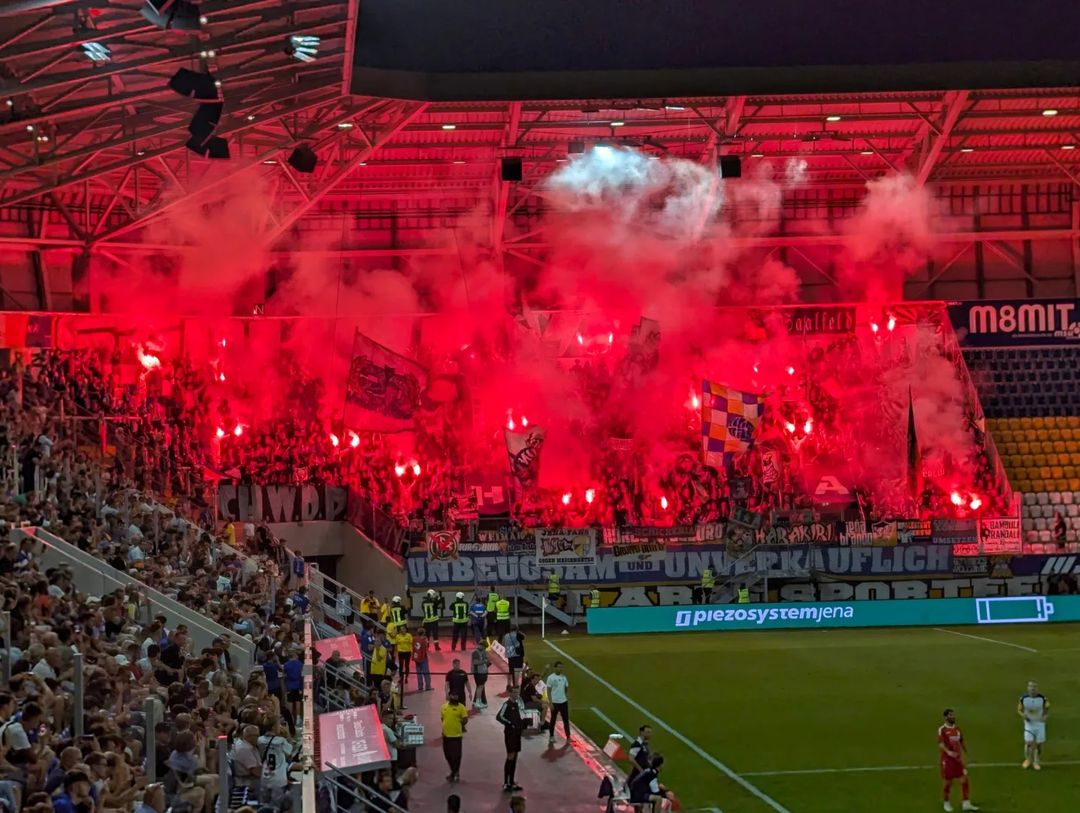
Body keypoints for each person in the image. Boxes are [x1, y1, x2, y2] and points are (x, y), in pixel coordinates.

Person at [938, 709, 978, 812]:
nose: (953, 717)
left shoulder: (957, 729)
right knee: (948, 783)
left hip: (958, 760)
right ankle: (946, 803)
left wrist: (966, 755)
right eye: (950, 715)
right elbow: (941, 744)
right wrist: (948, 752)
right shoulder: (942, 729)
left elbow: (961, 743)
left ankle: (966, 803)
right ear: (946, 717)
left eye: (953, 715)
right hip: (947, 761)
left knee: (964, 780)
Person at [496, 685, 528, 793]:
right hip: (510, 734)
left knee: (515, 757)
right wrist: (510, 724)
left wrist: (522, 724)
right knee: (510, 756)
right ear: (510, 693)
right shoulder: (507, 704)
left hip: (517, 734)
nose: (516, 694)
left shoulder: (517, 704)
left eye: (517, 692)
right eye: (514, 692)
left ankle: (512, 781)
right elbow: (499, 716)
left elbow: (518, 718)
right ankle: (506, 783)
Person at [1018, 680, 1049, 770]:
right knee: (1028, 743)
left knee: (1039, 744)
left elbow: (1047, 708)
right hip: (1029, 724)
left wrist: (1045, 716)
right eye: (1031, 687)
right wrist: (1024, 716)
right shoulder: (1023, 698)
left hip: (1039, 724)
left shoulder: (1042, 698)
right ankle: (1028, 760)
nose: (1033, 689)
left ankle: (1036, 761)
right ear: (1028, 688)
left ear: (1037, 689)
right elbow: (1019, 710)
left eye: (1034, 687)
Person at [440, 693, 469, 782]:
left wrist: (459, 724)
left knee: (456, 756)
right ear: (449, 696)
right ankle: (454, 771)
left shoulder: (461, 707)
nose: (455, 697)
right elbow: (442, 718)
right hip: (446, 735)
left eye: (456, 696)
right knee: (447, 755)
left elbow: (465, 719)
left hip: (456, 735)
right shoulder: (443, 707)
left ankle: (455, 772)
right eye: (453, 695)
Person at [545, 660, 571, 746]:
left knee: (566, 720)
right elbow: (548, 691)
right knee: (553, 720)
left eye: (561, 667)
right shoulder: (550, 678)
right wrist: (551, 703)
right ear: (555, 668)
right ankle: (551, 736)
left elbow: (566, 688)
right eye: (559, 667)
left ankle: (568, 737)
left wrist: (563, 696)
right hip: (555, 702)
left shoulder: (564, 677)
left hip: (563, 702)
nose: (560, 668)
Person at [471, 642, 490, 710]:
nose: (485, 649)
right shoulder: (475, 652)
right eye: (484, 647)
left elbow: (486, 661)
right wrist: (484, 661)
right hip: (478, 672)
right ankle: (478, 702)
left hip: (482, 672)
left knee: (480, 687)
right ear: (481, 645)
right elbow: (475, 662)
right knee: (480, 686)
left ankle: (477, 701)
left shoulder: (482, 652)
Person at [413, 626, 432, 692]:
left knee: (418, 673)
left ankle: (420, 687)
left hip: (416, 657)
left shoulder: (414, 639)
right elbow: (426, 649)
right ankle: (428, 686)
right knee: (426, 672)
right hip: (423, 657)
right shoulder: (424, 639)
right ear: (423, 633)